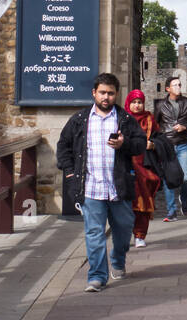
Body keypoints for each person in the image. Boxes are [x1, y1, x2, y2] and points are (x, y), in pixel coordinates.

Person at [56, 73, 146, 292]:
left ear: (117, 94)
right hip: (91, 187)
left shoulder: (125, 119)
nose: (106, 97)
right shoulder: (79, 120)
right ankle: (96, 276)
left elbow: (141, 144)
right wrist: (70, 174)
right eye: (102, 92)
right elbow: (63, 146)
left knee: (124, 229)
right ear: (94, 93)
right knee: (94, 233)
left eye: (111, 93)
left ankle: (118, 259)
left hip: (118, 187)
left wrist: (124, 144)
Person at [157, 74, 187, 221]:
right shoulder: (160, 105)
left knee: (185, 177)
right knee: (168, 178)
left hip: (182, 144)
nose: (178, 87)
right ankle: (171, 211)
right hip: (167, 145)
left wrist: (185, 127)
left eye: (179, 84)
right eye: (175, 85)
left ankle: (184, 201)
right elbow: (156, 124)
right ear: (168, 89)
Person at [125, 89, 161, 248]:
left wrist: (153, 145)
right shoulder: (122, 118)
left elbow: (161, 139)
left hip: (145, 167)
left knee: (143, 203)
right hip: (126, 166)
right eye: (134, 102)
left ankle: (140, 235)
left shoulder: (149, 119)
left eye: (139, 102)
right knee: (126, 204)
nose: (137, 105)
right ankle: (125, 234)